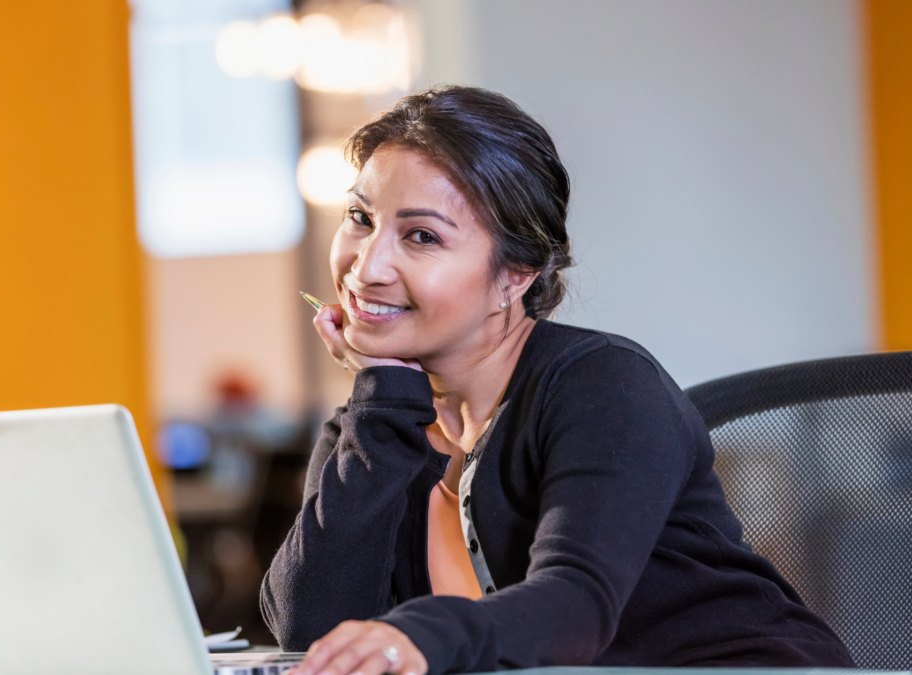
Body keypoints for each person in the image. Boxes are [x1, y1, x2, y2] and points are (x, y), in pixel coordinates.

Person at [260, 86, 854, 674]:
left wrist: (414, 635)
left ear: (515, 276)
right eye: (361, 219)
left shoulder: (604, 384)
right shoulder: (377, 423)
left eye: (422, 236)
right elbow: (310, 630)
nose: (366, 268)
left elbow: (576, 608)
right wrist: (381, 400)